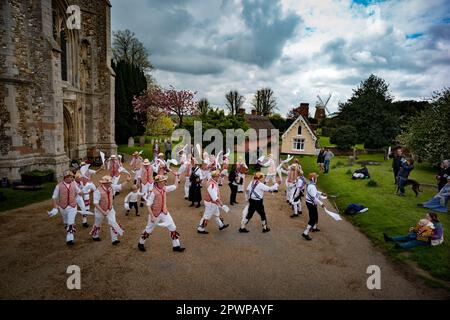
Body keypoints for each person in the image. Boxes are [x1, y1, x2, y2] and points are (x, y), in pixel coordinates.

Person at [137, 174, 185, 253]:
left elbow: (175, 186)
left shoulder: (165, 188)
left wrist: (176, 176)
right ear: (156, 183)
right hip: (155, 214)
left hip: (164, 212)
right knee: (149, 229)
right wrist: (152, 216)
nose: (162, 183)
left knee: (172, 227)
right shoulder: (153, 192)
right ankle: (140, 243)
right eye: (160, 182)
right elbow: (148, 205)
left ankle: (176, 246)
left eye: (163, 181)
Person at [91, 174, 131, 245]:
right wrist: (102, 211)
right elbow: (95, 203)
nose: (111, 183)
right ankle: (95, 235)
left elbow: (119, 187)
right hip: (99, 211)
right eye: (109, 182)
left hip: (110, 209)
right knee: (98, 224)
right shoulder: (97, 191)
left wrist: (127, 181)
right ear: (105, 183)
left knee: (113, 223)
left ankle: (114, 239)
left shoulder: (111, 187)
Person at [49, 171, 84, 245]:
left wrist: (82, 191)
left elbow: (79, 191)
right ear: (65, 178)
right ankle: (68, 228)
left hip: (73, 206)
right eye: (68, 177)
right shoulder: (58, 186)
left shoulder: (74, 183)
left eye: (71, 177)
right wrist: (55, 207)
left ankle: (70, 238)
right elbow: (54, 197)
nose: (70, 178)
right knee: (66, 222)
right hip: (63, 207)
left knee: (70, 222)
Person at [197, 170, 229, 234]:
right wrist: (221, 204)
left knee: (217, 214)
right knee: (206, 216)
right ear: (215, 177)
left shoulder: (212, 181)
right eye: (218, 176)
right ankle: (200, 228)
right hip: (211, 203)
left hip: (212, 203)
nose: (219, 177)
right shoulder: (212, 184)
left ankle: (221, 225)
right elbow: (214, 197)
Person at [301, 173, 326, 241]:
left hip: (311, 203)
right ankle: (305, 233)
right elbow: (314, 197)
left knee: (315, 216)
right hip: (311, 204)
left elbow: (315, 191)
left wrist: (321, 193)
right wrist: (321, 203)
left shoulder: (311, 184)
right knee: (312, 218)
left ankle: (314, 228)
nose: (317, 179)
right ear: (313, 178)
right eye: (316, 178)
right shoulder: (312, 186)